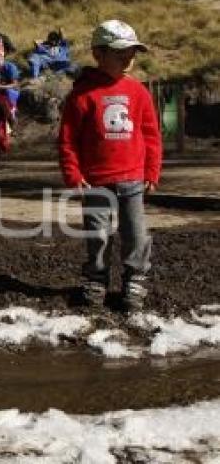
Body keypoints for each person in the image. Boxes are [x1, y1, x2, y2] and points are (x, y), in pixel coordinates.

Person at [58, 19, 162, 311]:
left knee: (136, 232)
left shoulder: (138, 92)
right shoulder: (82, 95)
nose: (128, 58)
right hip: (95, 180)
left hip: (133, 178)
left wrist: (152, 171)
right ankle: (96, 277)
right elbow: (68, 140)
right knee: (98, 233)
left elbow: (151, 135)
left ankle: (135, 278)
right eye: (120, 52)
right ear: (98, 54)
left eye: (131, 52)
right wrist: (73, 173)